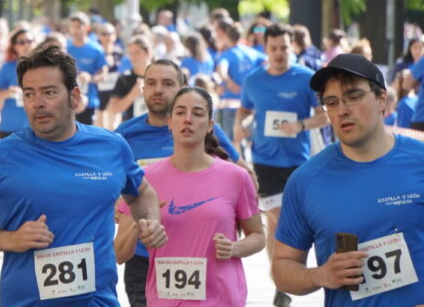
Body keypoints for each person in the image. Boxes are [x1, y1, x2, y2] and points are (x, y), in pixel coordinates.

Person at [272, 53, 424, 307]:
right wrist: (318, 275)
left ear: (382, 99)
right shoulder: (305, 181)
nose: (342, 110)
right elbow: (283, 268)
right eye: (331, 102)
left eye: (354, 97)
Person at [0, 44, 167, 307]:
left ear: (74, 97)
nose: (38, 103)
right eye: (29, 94)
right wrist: (10, 239)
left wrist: (149, 222)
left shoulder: (111, 146)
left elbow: (141, 192)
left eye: (49, 92)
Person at [115, 87, 265, 306]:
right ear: (170, 121)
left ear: (210, 126)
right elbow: (118, 253)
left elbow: (258, 236)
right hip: (165, 301)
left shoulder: (236, 176)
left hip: (222, 300)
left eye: (197, 113)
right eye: (180, 112)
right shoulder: (145, 179)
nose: (188, 119)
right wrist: (139, 226)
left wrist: (235, 248)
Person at [233, 22, 328, 307]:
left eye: (284, 48)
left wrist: (299, 124)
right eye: (273, 48)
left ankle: (288, 272)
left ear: (292, 47)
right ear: (266, 49)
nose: (279, 53)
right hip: (265, 161)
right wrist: (241, 126)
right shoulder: (254, 80)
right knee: (275, 219)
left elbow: (324, 116)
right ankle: (281, 281)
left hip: (299, 162)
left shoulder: (306, 78)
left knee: (291, 221)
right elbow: (245, 110)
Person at [214, 20, 263, 137]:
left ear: (226, 37)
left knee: (232, 142)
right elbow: (267, 64)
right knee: (250, 140)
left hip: (231, 103)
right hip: (251, 102)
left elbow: (221, 70)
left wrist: (229, 82)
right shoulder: (252, 53)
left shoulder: (227, 54)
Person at [0, 28, 34, 139]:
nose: (26, 45)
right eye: (21, 42)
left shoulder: (42, 68)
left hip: (35, 127)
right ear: (15, 46)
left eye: (29, 41)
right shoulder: (7, 67)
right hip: (9, 127)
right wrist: (8, 93)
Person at [66, 11, 107, 125]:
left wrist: (90, 78)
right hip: (67, 101)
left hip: (88, 101)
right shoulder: (65, 47)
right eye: (72, 27)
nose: (74, 30)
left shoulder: (96, 49)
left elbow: (103, 74)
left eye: (78, 27)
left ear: (87, 28)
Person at [108, 35, 152, 123]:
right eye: (130, 53)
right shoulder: (124, 78)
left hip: (158, 129)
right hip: (134, 129)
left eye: (137, 52)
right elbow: (113, 109)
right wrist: (132, 95)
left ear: (148, 53)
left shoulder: (160, 76)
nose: (133, 57)